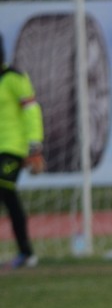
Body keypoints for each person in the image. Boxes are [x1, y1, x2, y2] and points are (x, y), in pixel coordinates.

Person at [0, 34, 45, 270]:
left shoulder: (14, 78)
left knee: (4, 189)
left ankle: (26, 253)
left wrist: (34, 146)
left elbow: (31, 111)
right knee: (9, 198)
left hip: (12, 148)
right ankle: (26, 253)